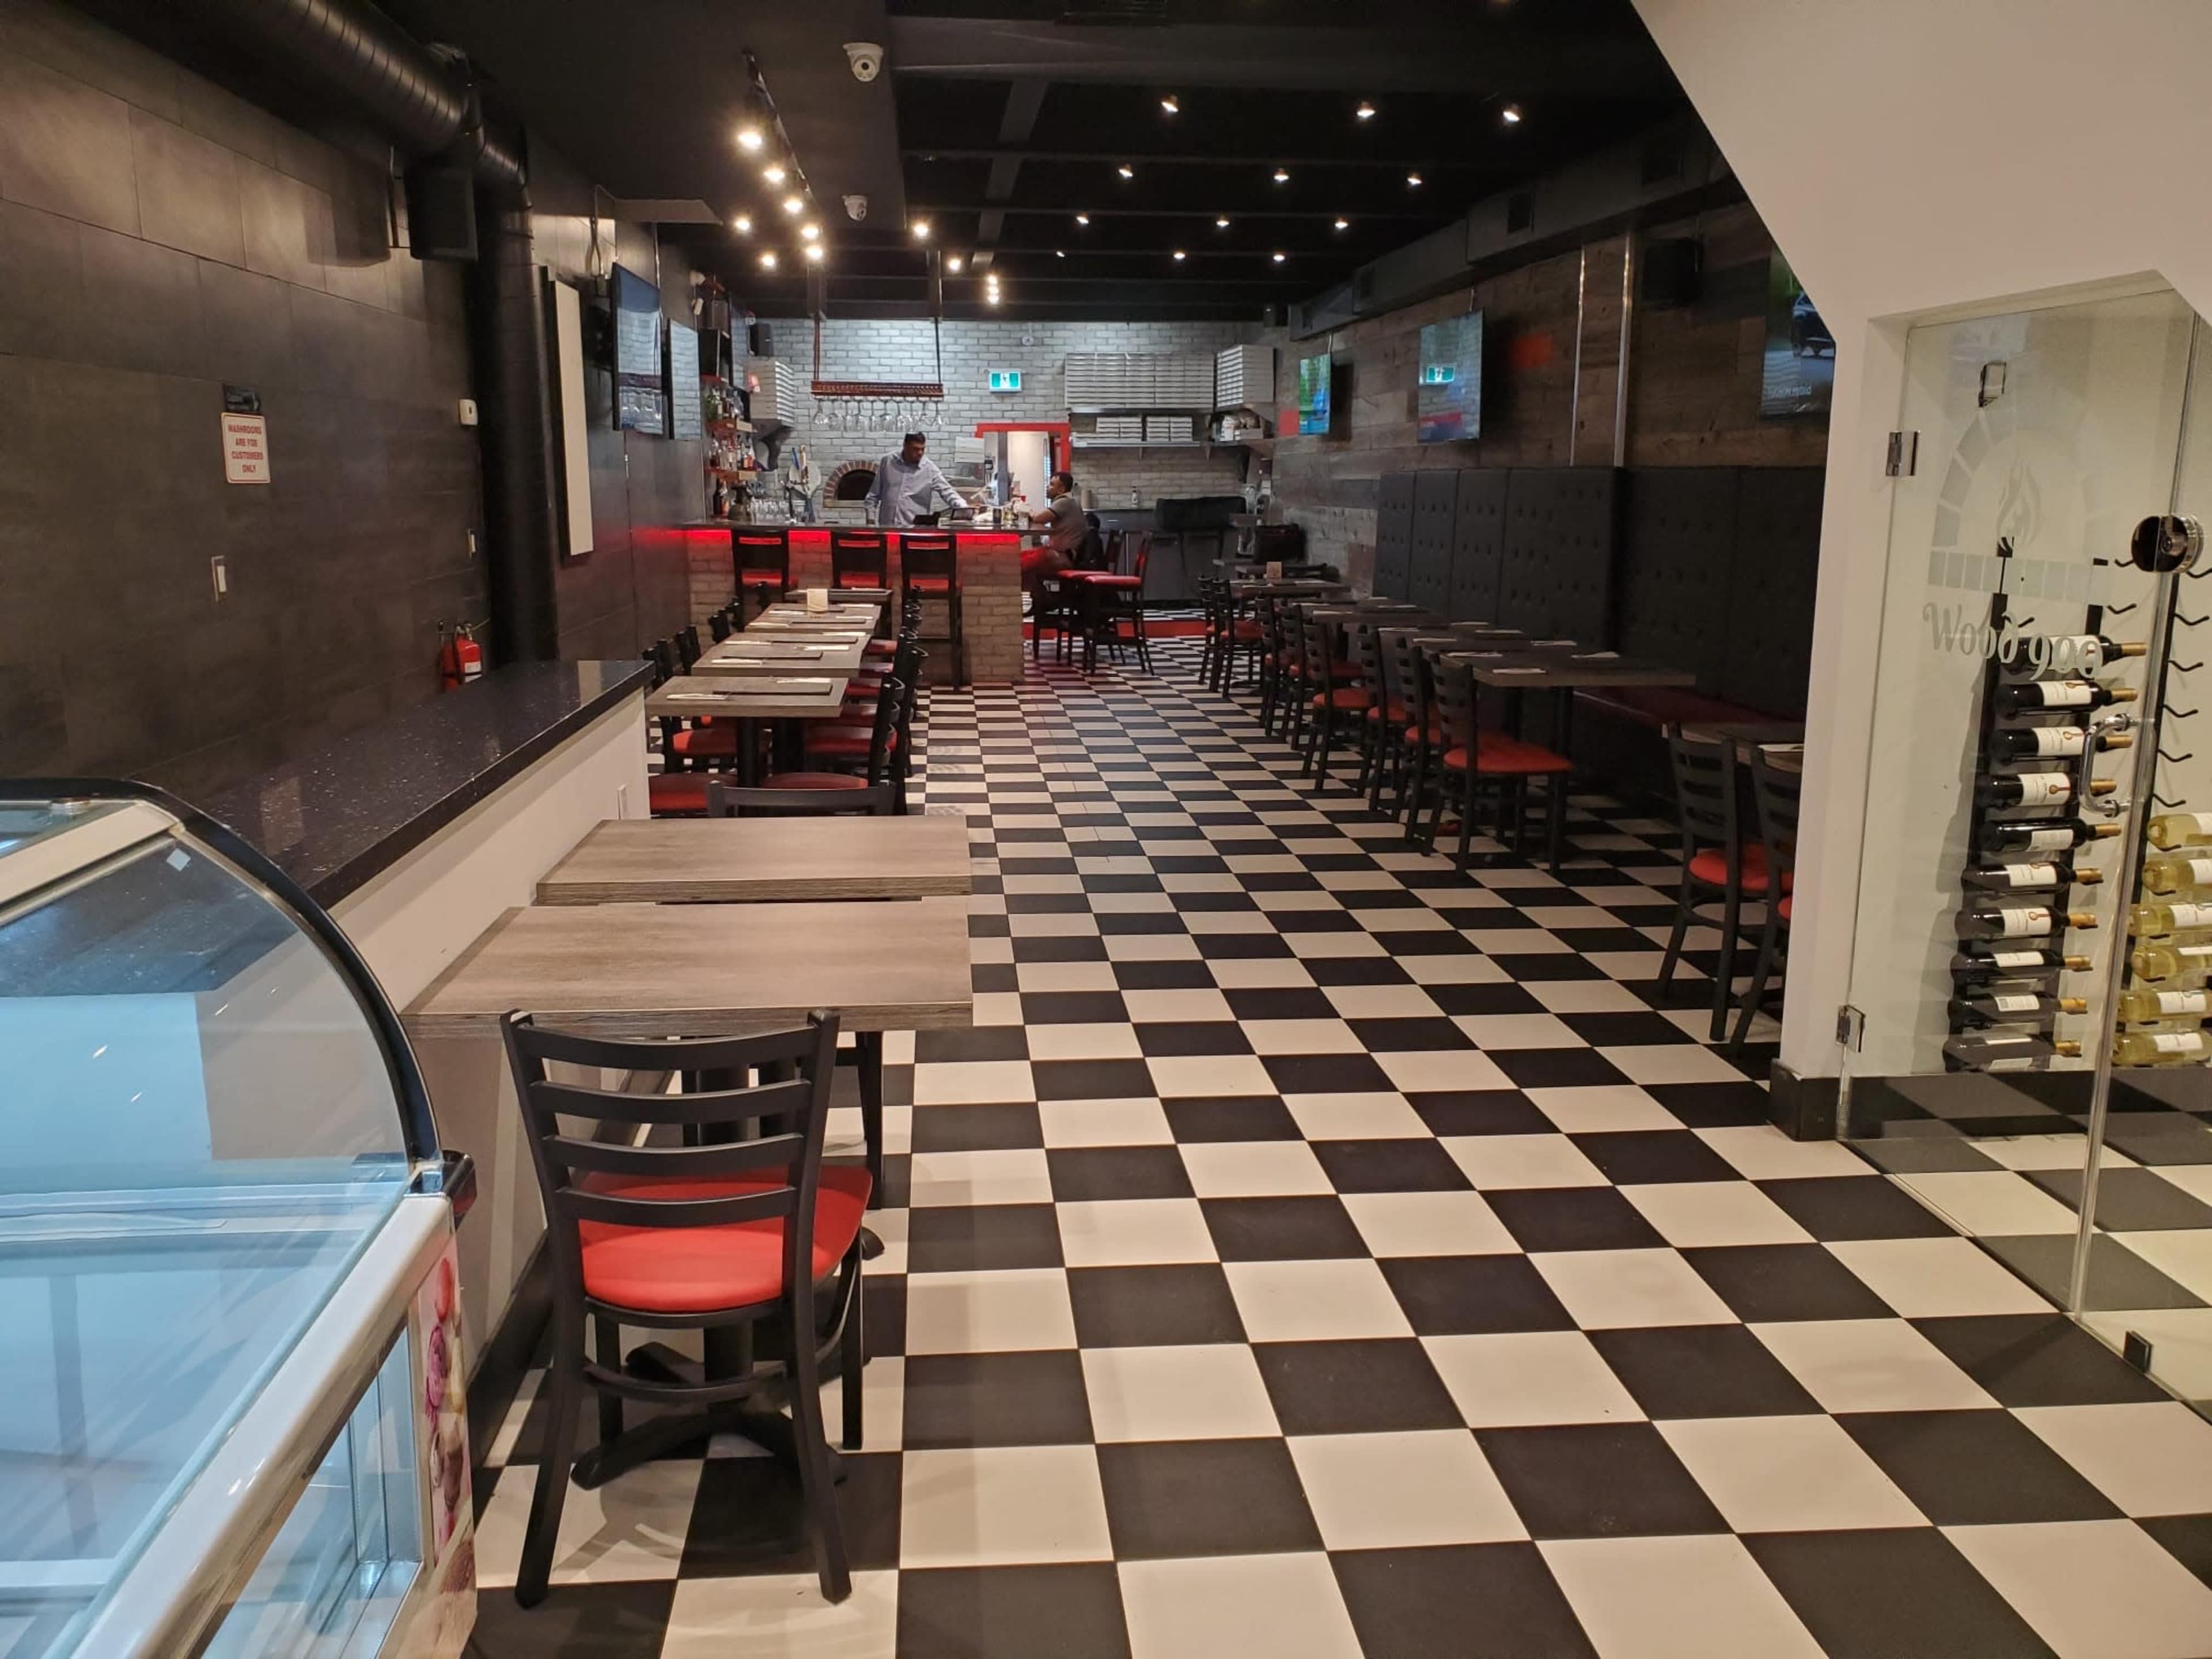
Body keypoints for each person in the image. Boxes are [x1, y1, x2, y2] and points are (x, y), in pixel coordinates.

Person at [863, 432, 972, 528]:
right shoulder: (888, 462)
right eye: (916, 449)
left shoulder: (929, 468)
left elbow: (948, 492)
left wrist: (964, 509)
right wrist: (870, 521)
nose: (920, 453)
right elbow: (873, 495)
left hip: (914, 530)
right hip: (887, 528)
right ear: (905, 446)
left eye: (922, 449)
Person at [1024, 470, 1089, 588]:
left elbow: (1039, 518)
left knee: (1022, 563)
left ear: (1061, 490)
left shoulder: (1064, 502)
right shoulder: (1069, 502)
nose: (1048, 487)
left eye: (1052, 485)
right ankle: (1040, 599)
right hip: (1063, 554)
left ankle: (1042, 599)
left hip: (1063, 557)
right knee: (1023, 558)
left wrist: (1025, 509)